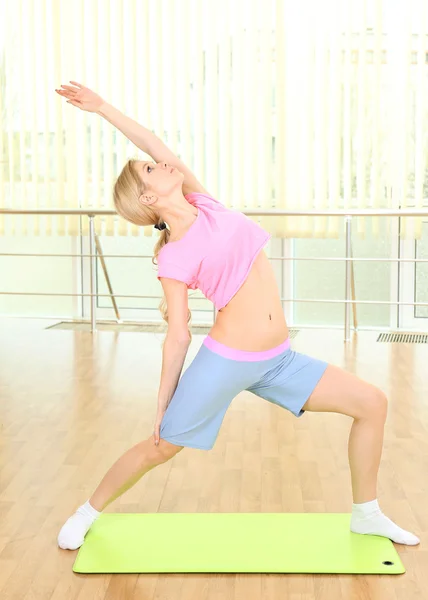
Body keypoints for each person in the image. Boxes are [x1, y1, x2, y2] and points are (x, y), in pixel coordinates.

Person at [55, 81, 420, 550]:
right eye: (151, 168)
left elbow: (152, 140)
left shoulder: (206, 205)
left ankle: (367, 514)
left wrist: (102, 107)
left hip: (279, 360)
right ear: (148, 198)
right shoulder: (174, 255)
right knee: (161, 446)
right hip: (226, 361)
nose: (164, 162)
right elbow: (178, 336)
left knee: (372, 403)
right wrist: (163, 403)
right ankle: (86, 512)